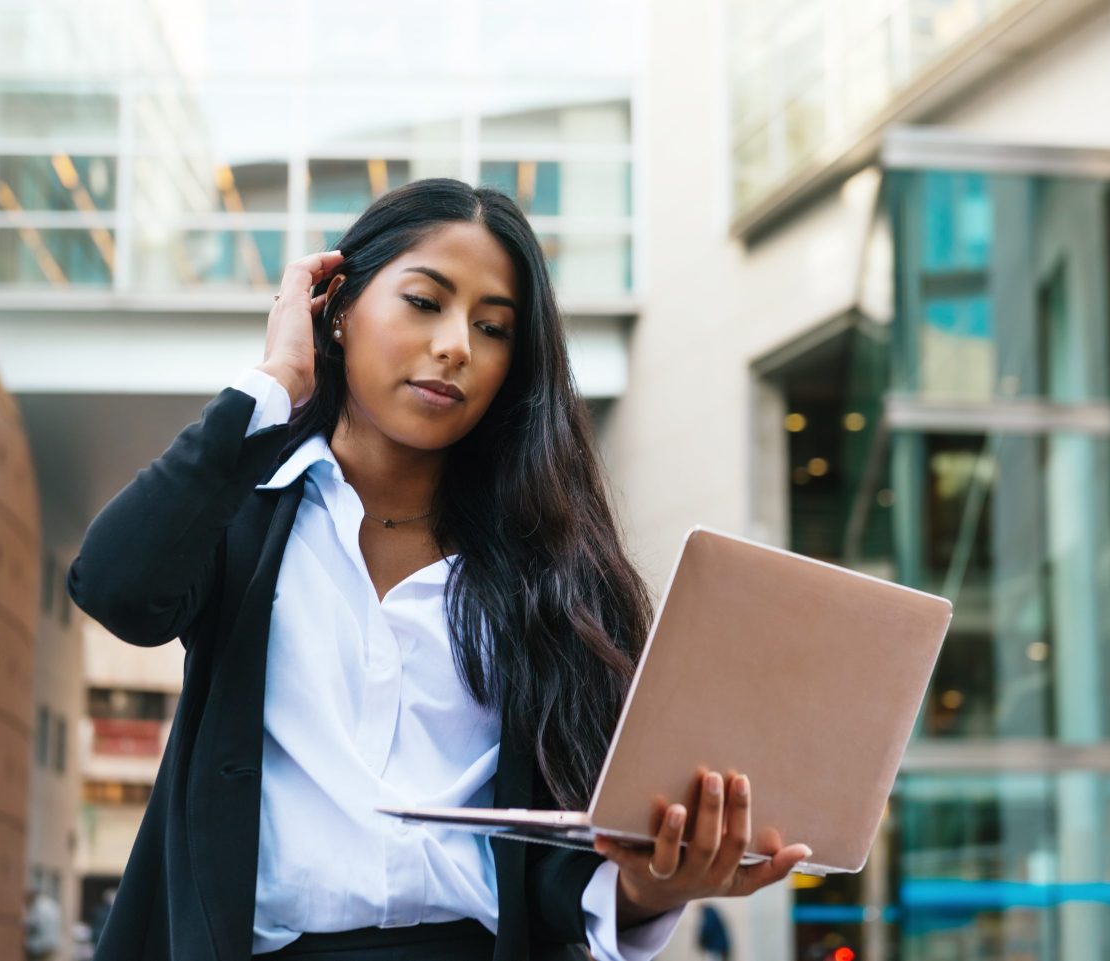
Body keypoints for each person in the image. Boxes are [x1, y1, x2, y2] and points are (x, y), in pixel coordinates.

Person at [67, 178, 812, 961]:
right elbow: (116, 586)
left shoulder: (550, 568)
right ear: (339, 306)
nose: (458, 344)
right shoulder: (245, 513)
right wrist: (274, 384)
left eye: (492, 327)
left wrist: (648, 887)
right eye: (425, 302)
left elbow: (551, 856)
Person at [23, 886, 63, 961]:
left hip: (40, 946)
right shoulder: (50, 904)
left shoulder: (38, 906)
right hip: (50, 943)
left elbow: (35, 924)